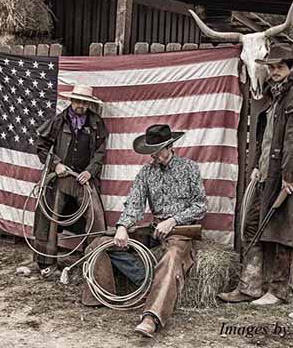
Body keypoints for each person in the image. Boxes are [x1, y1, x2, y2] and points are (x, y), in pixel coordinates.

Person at [218, 45, 293, 306]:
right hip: (265, 176)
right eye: (271, 67)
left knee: (283, 232)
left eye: (280, 67)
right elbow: (265, 139)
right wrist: (257, 167)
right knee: (253, 227)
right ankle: (250, 287)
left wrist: (290, 175)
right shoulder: (274, 95)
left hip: (286, 177)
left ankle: (277, 292)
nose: (274, 71)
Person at [81, 124, 207, 338]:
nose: (154, 155)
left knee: (172, 256)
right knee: (99, 243)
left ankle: (151, 317)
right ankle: (112, 294)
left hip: (180, 231)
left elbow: (200, 206)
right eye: (151, 151)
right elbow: (135, 204)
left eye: (158, 150)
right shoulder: (146, 172)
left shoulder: (190, 168)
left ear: (170, 145)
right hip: (154, 229)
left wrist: (173, 220)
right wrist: (122, 227)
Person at [34, 84, 108, 271]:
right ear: (71, 101)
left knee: (95, 217)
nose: (80, 105)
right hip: (61, 178)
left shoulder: (96, 123)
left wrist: (90, 171)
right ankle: (46, 263)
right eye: (77, 101)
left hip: (84, 179)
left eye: (84, 102)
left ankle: (93, 263)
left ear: (89, 104)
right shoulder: (59, 121)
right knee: (50, 216)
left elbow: (100, 152)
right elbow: (41, 145)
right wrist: (56, 164)